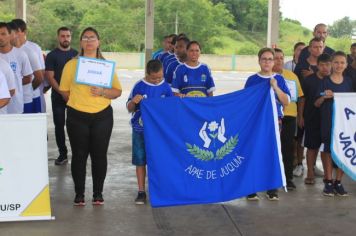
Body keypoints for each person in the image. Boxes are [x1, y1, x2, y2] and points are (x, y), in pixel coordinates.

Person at [59, 27, 122, 206]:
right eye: (85, 38)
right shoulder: (71, 65)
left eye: (92, 37)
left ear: (98, 42)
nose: (88, 41)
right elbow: (64, 91)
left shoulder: (106, 65)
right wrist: (79, 102)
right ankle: (79, 194)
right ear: (80, 42)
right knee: (79, 155)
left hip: (102, 116)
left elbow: (117, 91)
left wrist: (103, 91)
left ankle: (98, 193)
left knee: (99, 155)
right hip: (76, 116)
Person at [244, 47, 290, 201]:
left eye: (270, 59)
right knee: (254, 153)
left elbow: (286, 102)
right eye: (264, 59)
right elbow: (245, 103)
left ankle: (272, 187)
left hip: (274, 123)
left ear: (274, 61)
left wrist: (275, 87)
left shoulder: (280, 79)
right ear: (259, 61)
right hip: (256, 123)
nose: (267, 62)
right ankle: (252, 187)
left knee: (273, 153)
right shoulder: (252, 80)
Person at [127, 59, 173, 204]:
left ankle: (160, 189)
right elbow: (129, 108)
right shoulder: (139, 86)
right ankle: (141, 192)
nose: (157, 80)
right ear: (147, 73)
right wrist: (134, 102)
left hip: (159, 132)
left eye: (160, 77)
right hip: (140, 130)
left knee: (160, 160)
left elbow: (172, 109)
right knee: (140, 161)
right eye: (154, 78)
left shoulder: (166, 87)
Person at [314, 51, 353, 197]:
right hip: (328, 121)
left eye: (342, 62)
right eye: (336, 62)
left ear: (346, 65)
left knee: (343, 149)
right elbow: (316, 103)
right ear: (332, 64)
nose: (339, 65)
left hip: (345, 123)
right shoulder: (324, 81)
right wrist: (325, 96)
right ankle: (328, 181)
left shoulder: (349, 81)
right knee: (328, 150)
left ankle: (338, 181)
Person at [45, 27, 78, 165]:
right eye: (63, 36)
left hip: (74, 97)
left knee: (75, 127)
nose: (66, 38)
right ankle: (62, 154)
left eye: (68, 36)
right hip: (58, 97)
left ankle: (77, 154)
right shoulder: (52, 55)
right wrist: (62, 93)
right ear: (58, 37)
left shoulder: (76, 54)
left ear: (71, 37)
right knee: (59, 126)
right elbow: (50, 77)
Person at [273, 48, 304, 190]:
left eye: (281, 58)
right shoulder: (266, 77)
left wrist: (300, 115)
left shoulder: (292, 76)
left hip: (290, 117)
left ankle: (288, 178)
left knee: (288, 148)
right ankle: (270, 179)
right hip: (271, 118)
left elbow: (300, 98)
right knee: (271, 148)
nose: (278, 61)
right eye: (275, 58)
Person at [294, 37, 325, 177]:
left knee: (316, 139)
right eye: (315, 47)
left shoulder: (326, 66)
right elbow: (297, 88)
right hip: (303, 106)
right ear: (309, 48)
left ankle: (312, 166)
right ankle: (299, 164)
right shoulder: (301, 65)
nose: (317, 49)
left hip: (320, 109)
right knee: (300, 137)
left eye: (320, 47)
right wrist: (299, 114)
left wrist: (315, 74)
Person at [300, 54, 331, 185]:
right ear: (317, 65)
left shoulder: (334, 80)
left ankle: (328, 175)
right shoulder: (308, 80)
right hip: (312, 118)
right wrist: (300, 116)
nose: (326, 68)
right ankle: (310, 173)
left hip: (329, 119)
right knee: (311, 147)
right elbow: (302, 99)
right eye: (323, 65)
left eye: (328, 64)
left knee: (327, 148)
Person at [12, 19, 47, 113]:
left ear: (24, 32)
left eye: (17, 31)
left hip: (32, 95)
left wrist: (29, 89)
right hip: (14, 97)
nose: (14, 34)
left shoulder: (34, 48)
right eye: (12, 31)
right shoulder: (8, 50)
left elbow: (41, 75)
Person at [0, 22, 32, 114]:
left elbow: (28, 78)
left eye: (3, 34)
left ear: (10, 35)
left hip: (15, 105)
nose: (0, 37)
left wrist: (10, 85)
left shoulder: (21, 54)